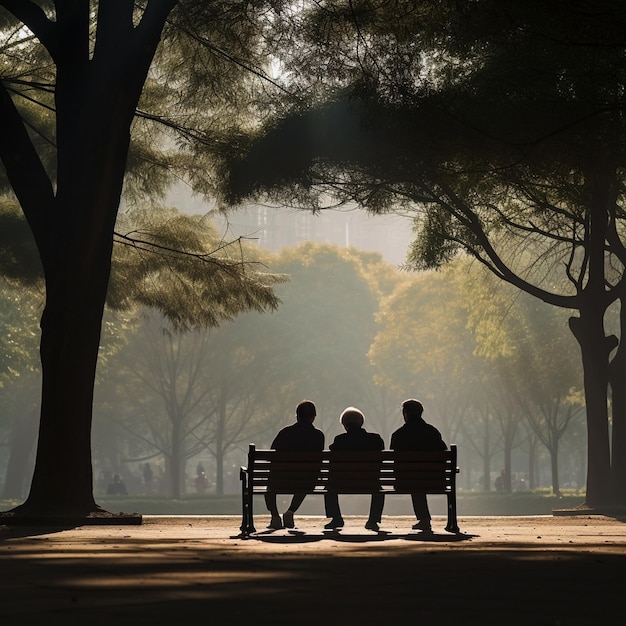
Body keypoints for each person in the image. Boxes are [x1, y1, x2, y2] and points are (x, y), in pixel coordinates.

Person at [265, 400, 325, 530]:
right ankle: (290, 512)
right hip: (305, 482)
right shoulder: (318, 436)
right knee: (307, 478)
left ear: (297, 416)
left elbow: (271, 455)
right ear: (313, 417)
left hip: (279, 480)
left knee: (270, 484)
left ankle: (275, 517)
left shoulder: (285, 433)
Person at [324, 407, 385, 532]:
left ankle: (336, 518)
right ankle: (373, 521)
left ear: (345, 425)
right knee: (379, 489)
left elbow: (332, 461)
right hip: (370, 483)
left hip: (342, 483)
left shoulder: (340, 440)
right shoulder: (375, 439)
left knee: (329, 486)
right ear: (361, 422)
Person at [390, 398, 447, 533]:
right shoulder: (432, 432)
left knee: (413, 477)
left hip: (405, 482)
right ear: (421, 413)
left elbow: (395, 460)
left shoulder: (398, 435)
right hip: (435, 481)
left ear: (405, 414)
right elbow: (443, 452)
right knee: (419, 477)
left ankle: (424, 519)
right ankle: (426, 520)